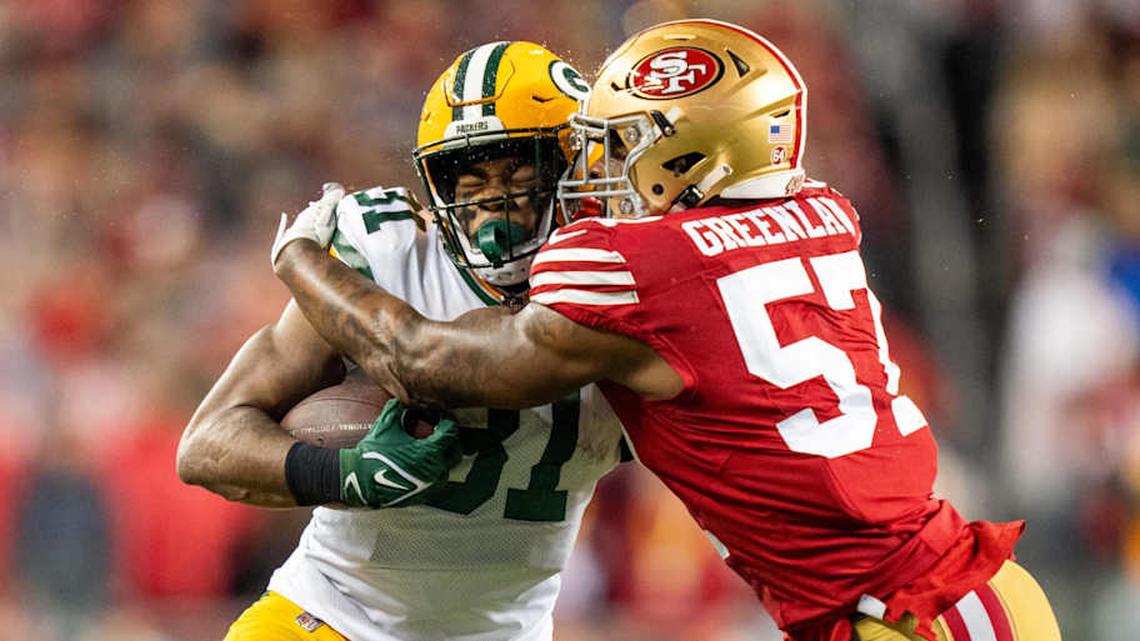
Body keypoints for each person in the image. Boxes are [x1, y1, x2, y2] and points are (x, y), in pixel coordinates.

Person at [271, 19, 1064, 641]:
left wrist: (301, 257)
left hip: (901, 612)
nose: (602, 171)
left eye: (625, 145)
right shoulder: (821, 211)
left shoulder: (631, 268)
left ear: (698, 161)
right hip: (960, 589)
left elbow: (422, 359)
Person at [177, 41, 626, 641]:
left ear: (578, 167)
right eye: (470, 181)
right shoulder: (389, 258)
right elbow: (207, 444)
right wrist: (344, 472)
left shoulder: (625, 286)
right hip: (332, 614)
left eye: (521, 173)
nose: (495, 204)